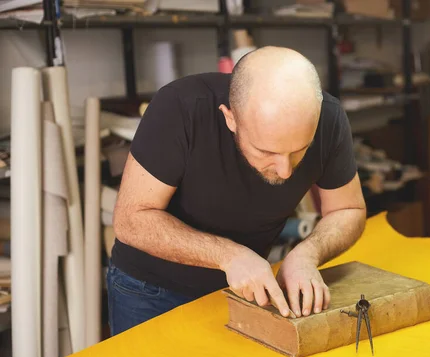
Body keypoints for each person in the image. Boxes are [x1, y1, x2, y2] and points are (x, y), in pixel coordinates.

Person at [108, 46, 366, 336]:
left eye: (299, 151)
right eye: (266, 152)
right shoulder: (180, 108)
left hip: (245, 288)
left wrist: (306, 255)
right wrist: (229, 256)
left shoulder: (328, 119)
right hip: (152, 291)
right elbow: (131, 219)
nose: (285, 171)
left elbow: (347, 209)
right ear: (230, 118)